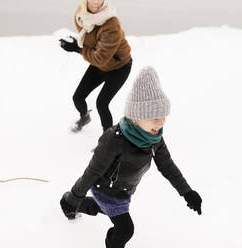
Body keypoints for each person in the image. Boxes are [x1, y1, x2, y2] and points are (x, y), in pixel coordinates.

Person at [60, 67, 203, 248]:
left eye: (164, 116)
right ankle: (74, 205)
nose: (161, 122)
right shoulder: (114, 139)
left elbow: (167, 166)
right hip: (106, 189)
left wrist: (187, 192)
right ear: (136, 117)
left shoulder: (154, 137)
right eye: (154, 117)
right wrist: (74, 195)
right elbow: (93, 171)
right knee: (125, 229)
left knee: (105, 209)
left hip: (124, 192)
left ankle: (73, 204)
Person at [59, 0, 132, 132]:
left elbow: (100, 58)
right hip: (101, 64)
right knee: (78, 97)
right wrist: (77, 42)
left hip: (119, 67)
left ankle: (108, 140)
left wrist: (77, 49)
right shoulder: (82, 15)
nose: (97, 2)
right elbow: (89, 37)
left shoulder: (112, 24)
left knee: (102, 104)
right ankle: (84, 117)